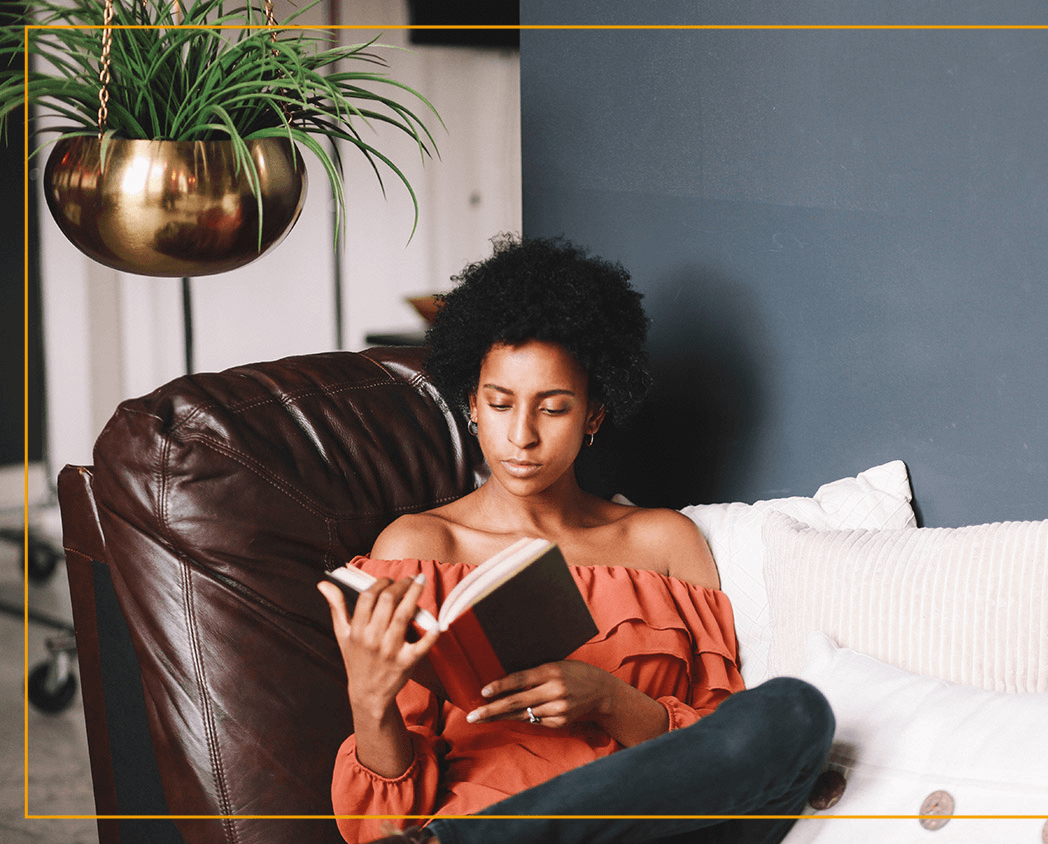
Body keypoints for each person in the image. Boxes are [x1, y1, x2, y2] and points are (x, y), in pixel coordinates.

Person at [317, 236, 834, 844]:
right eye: (500, 403)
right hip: (472, 818)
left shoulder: (665, 543)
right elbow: (381, 825)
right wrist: (369, 700)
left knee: (794, 713)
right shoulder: (421, 545)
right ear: (472, 405)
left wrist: (610, 701)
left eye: (553, 408)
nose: (522, 437)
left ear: (594, 415)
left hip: (649, 831)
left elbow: (722, 756)